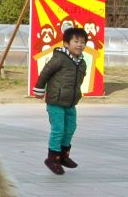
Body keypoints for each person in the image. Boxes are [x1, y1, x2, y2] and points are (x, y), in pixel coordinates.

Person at [33, 25, 88, 175]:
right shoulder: (59, 58)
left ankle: (64, 156)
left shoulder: (81, 62)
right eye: (76, 41)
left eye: (82, 42)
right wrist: (39, 89)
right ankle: (52, 158)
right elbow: (45, 73)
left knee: (70, 128)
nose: (79, 45)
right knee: (58, 129)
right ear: (66, 44)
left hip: (70, 103)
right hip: (55, 101)